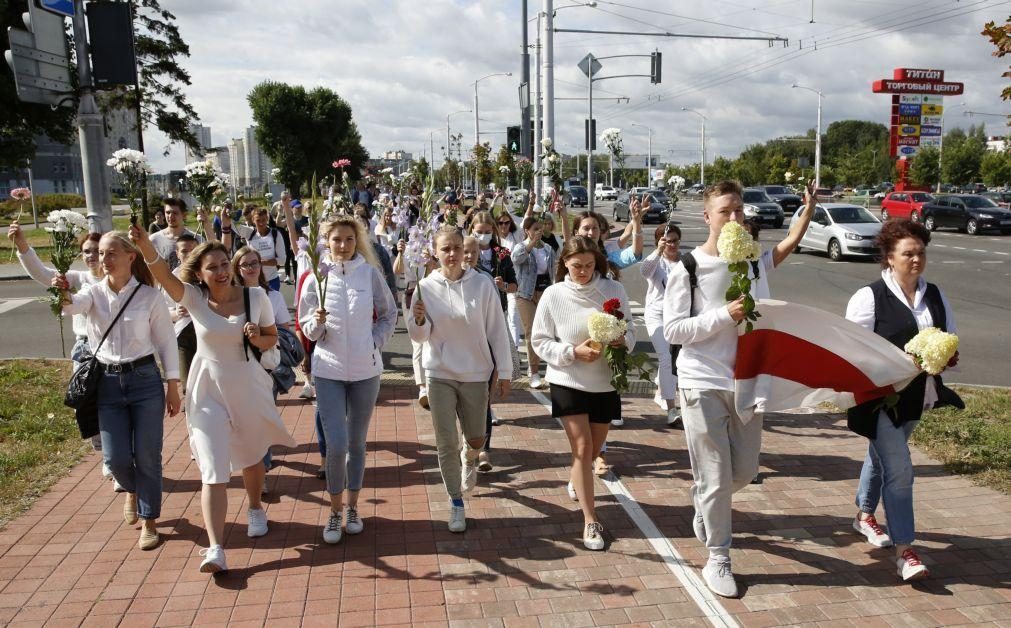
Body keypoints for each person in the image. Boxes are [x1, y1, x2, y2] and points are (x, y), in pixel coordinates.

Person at [662, 180, 814, 597]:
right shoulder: (687, 268)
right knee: (713, 473)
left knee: (744, 470)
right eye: (725, 211)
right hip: (701, 380)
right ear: (707, 216)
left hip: (747, 380)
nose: (734, 218)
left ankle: (705, 503)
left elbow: (784, 247)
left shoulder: (751, 263)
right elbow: (673, 331)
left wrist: (807, 213)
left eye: (739, 211)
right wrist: (723, 315)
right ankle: (718, 556)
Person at [130, 225, 295, 574]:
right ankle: (215, 548)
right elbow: (161, 272)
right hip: (206, 390)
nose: (221, 271)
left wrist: (256, 335)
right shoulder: (193, 297)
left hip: (247, 384)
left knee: (252, 457)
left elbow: (271, 341)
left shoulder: (255, 298)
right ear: (199, 273)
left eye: (224, 264)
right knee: (212, 468)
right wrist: (145, 246)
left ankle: (254, 507)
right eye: (212, 267)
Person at [845, 219, 959, 583]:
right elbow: (852, 350)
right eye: (908, 253)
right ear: (889, 259)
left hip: (917, 398)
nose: (916, 259)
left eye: (921, 253)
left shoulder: (935, 295)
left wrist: (944, 357)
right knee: (900, 470)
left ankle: (864, 514)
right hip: (879, 399)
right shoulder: (869, 297)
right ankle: (905, 551)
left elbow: (949, 338)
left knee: (882, 457)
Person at [55, 231, 181, 551]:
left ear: (130, 257)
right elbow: (70, 308)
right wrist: (60, 291)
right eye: (101, 254)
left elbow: (166, 343)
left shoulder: (149, 296)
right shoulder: (93, 293)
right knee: (116, 459)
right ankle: (132, 491)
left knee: (148, 455)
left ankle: (150, 519)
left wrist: (173, 387)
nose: (104, 259)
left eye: (111, 253)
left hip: (144, 380)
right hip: (107, 384)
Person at [531, 236, 635, 551]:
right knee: (581, 447)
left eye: (589, 266)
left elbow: (630, 331)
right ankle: (590, 521)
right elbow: (539, 340)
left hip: (604, 382)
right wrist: (571, 352)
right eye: (577, 266)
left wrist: (621, 341)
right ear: (564, 263)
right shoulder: (553, 295)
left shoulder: (613, 290)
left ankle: (578, 477)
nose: (584, 272)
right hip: (567, 379)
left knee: (591, 452)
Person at [298, 215, 397, 544]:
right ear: (326, 241)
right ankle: (335, 509)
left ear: (358, 243)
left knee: (356, 444)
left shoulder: (368, 274)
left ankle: (353, 507)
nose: (342, 245)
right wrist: (317, 321)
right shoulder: (316, 276)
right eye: (336, 239)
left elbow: (389, 313)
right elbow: (307, 328)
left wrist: (375, 341)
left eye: (349, 240)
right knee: (336, 445)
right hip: (328, 371)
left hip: (366, 371)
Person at [408, 227, 512, 532]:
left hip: (476, 373)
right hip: (439, 373)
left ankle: (471, 456)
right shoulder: (425, 287)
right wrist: (416, 319)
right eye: (445, 249)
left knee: (476, 436)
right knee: (445, 441)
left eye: (456, 247)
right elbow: (420, 337)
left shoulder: (481, 285)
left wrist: (504, 371)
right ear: (435, 253)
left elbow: (497, 330)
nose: (452, 254)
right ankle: (455, 501)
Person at [231, 244, 294, 490]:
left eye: (254, 263)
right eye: (245, 264)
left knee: (262, 419)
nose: (251, 268)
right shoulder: (230, 298)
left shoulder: (273, 296)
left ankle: (263, 469)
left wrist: (265, 334)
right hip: (236, 368)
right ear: (237, 268)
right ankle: (253, 464)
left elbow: (284, 330)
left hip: (266, 368)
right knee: (244, 421)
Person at [462, 229, 518, 473]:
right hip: (455, 356)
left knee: (483, 402)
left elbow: (496, 322)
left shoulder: (485, 280)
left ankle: (484, 448)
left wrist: (503, 365)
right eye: (465, 251)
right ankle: (465, 447)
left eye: (473, 252)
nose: (469, 256)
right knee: (461, 406)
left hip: (484, 354)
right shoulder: (441, 279)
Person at [641, 222, 683, 427]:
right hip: (656, 315)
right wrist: (658, 251)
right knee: (666, 356)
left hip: (679, 316)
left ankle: (662, 387)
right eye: (667, 241)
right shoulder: (657, 262)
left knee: (675, 359)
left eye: (675, 241)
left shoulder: (687, 261)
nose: (671, 245)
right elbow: (644, 270)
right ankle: (671, 407)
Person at [511, 215, 556, 389]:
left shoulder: (548, 249)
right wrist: (530, 244)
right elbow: (516, 259)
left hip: (544, 292)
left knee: (547, 331)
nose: (539, 231)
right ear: (527, 231)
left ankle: (550, 369)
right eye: (535, 228)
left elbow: (552, 270)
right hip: (526, 294)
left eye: (541, 228)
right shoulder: (521, 247)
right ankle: (534, 371)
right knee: (531, 332)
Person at [169, 234, 200, 396]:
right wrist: (177, 312)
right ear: (177, 253)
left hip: (207, 330)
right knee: (187, 382)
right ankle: (190, 408)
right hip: (183, 334)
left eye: (193, 250)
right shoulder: (171, 277)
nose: (189, 255)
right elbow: (163, 310)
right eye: (184, 251)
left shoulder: (206, 273)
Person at [494, 204, 524, 353]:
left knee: (513, 315)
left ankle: (515, 348)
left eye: (507, 223)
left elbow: (521, 223)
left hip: (512, 282)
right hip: (496, 283)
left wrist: (506, 204)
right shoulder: (494, 239)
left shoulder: (516, 236)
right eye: (501, 223)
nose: (504, 226)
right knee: (501, 317)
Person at [149, 198, 211, 269]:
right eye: (168, 212)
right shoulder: (154, 240)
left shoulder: (197, 239)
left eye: (175, 213)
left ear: (184, 215)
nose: (170, 216)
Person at [234, 207, 287, 291]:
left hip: (271, 280)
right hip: (254, 281)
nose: (261, 223)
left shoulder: (275, 234)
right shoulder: (249, 233)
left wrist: (261, 263)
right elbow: (233, 225)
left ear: (267, 219)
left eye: (264, 220)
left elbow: (282, 260)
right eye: (258, 220)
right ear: (253, 220)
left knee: (271, 304)